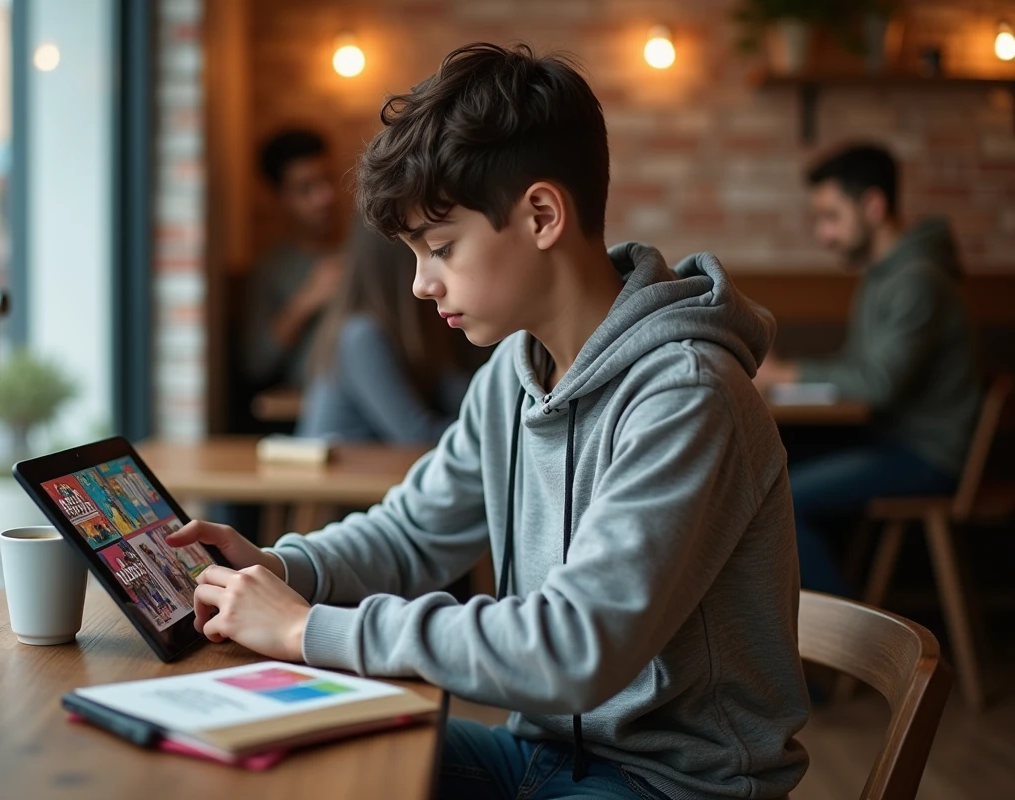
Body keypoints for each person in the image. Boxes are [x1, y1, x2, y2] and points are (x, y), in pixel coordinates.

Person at [168, 43, 808, 800]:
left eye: (440, 247)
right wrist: (280, 570)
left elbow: (576, 647)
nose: (418, 282)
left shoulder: (687, 395)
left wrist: (307, 631)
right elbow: (412, 532)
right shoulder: (515, 370)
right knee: (283, 761)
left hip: (672, 783)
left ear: (541, 215)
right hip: (539, 752)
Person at [756, 144, 982, 597]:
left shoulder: (917, 279)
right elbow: (862, 371)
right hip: (893, 439)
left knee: (780, 498)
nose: (824, 234)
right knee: (765, 466)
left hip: (926, 455)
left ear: (874, 207)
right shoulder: (886, 274)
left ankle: (857, 650)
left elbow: (877, 385)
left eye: (831, 216)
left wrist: (785, 376)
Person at [296, 219, 473, 443]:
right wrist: (495, 427)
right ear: (405, 265)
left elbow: (462, 400)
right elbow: (417, 436)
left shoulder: (414, 331)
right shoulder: (360, 335)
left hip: (374, 473)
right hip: (338, 476)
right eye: (436, 251)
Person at [244, 129, 344, 389]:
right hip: (300, 407)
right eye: (305, 189)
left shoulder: (364, 255)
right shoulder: (270, 271)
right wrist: (306, 301)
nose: (325, 197)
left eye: (327, 180)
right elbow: (256, 364)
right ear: (281, 199)